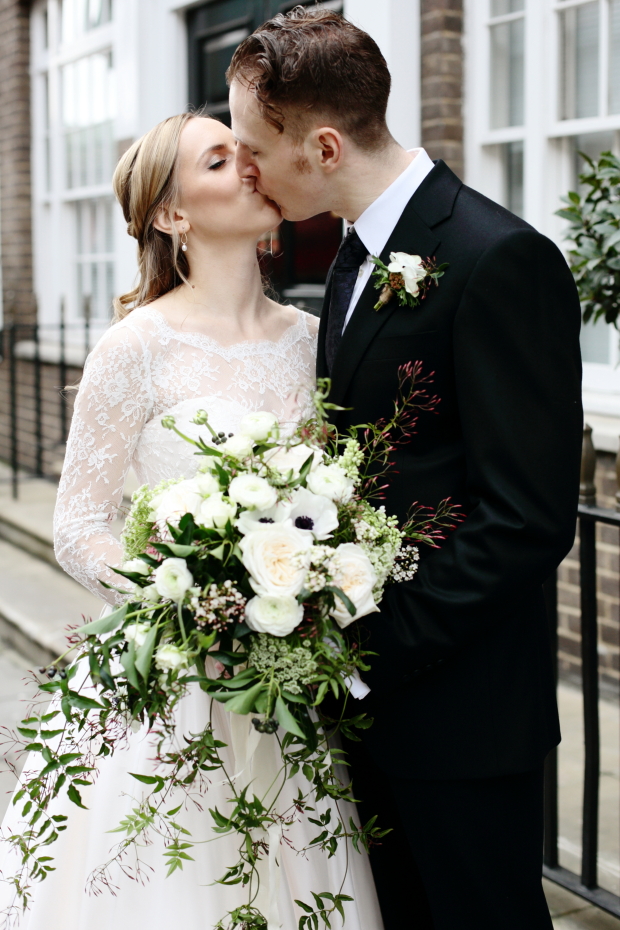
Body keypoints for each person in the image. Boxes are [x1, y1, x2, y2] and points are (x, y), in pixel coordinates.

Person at [228, 8, 583, 930]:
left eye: (255, 145)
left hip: (461, 713)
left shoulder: (500, 258)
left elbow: (527, 516)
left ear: (327, 146)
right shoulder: (350, 258)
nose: (247, 168)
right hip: (372, 708)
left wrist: (372, 642)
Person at [0, 113, 384, 930]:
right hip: (173, 682)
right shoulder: (135, 347)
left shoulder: (316, 342)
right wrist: (188, 594)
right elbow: (79, 525)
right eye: (219, 159)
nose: (249, 165)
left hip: (287, 680)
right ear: (172, 215)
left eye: (247, 151)